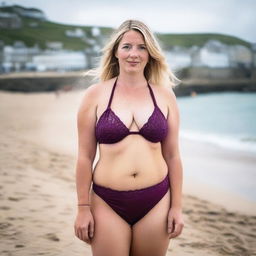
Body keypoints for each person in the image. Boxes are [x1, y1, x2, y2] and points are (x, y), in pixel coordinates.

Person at [74, 19, 184, 256]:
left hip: (157, 200)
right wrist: (83, 208)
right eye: (127, 46)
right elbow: (84, 156)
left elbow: (173, 155)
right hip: (107, 201)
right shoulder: (95, 95)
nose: (134, 54)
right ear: (116, 52)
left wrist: (176, 207)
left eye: (142, 47)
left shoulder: (165, 96)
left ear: (150, 54)